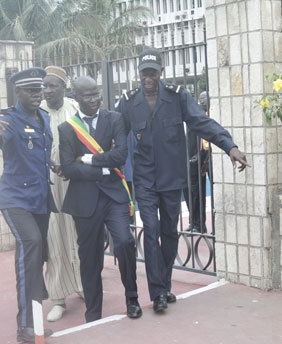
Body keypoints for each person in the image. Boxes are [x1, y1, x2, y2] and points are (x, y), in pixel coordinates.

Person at [116, 48, 249, 313]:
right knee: (150, 232)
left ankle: (164, 286)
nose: (148, 79)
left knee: (170, 232)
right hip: (145, 180)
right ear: (139, 75)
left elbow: (201, 122)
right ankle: (158, 294)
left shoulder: (177, 97)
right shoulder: (129, 102)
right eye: (144, 74)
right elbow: (113, 131)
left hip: (171, 179)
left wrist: (229, 147)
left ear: (161, 73)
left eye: (152, 73)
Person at [58, 76, 142, 323]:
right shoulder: (67, 129)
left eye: (96, 94)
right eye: (88, 95)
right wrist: (102, 168)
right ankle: (93, 311)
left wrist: (88, 159)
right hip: (85, 201)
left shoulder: (114, 119)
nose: (94, 99)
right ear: (76, 97)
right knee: (90, 256)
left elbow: (120, 155)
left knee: (125, 243)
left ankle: (132, 299)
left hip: (114, 195)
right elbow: (68, 167)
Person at [0, 67, 54, 343]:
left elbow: (40, 155)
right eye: (31, 90)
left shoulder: (44, 118)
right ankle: (23, 326)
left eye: (40, 89)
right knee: (31, 246)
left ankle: (34, 323)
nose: (38, 95)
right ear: (18, 92)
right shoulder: (8, 120)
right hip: (15, 199)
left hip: (40, 199)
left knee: (36, 258)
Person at [41, 66, 84, 322]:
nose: (47, 91)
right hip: (47, 184)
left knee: (78, 233)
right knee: (54, 236)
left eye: (52, 86)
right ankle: (57, 298)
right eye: (44, 86)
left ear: (64, 87)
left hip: (74, 181)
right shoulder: (37, 112)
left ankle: (81, 285)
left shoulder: (75, 109)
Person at [183, 91, 210, 233]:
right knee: (191, 192)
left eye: (205, 99)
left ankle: (201, 224)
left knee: (203, 192)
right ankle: (195, 223)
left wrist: (201, 156)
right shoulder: (193, 116)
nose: (202, 102)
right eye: (200, 100)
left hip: (206, 159)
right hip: (191, 159)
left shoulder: (208, 116)